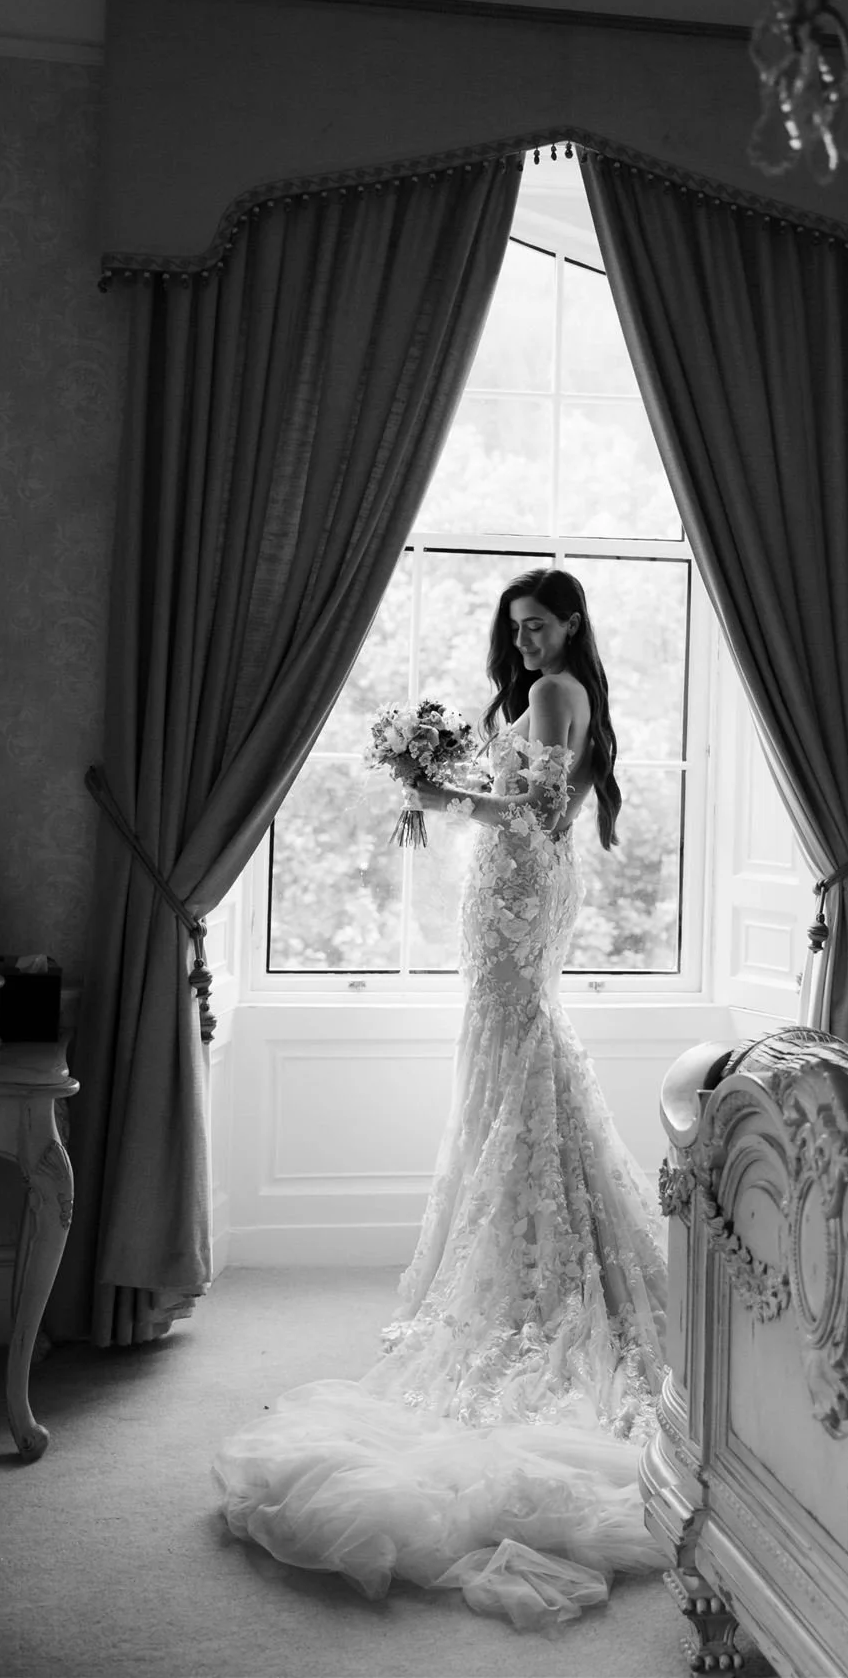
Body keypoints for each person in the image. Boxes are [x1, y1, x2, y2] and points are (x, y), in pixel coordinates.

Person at [213, 567, 670, 1631]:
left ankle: (546, 1250)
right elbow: (511, 796)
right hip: (502, 889)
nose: (527, 639)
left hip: (520, 887)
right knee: (503, 1054)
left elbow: (544, 808)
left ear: (573, 625)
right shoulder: (527, 692)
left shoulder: (559, 696)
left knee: (521, 1048)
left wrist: (446, 796)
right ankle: (516, 1222)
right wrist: (435, 771)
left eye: (542, 623)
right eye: (516, 626)